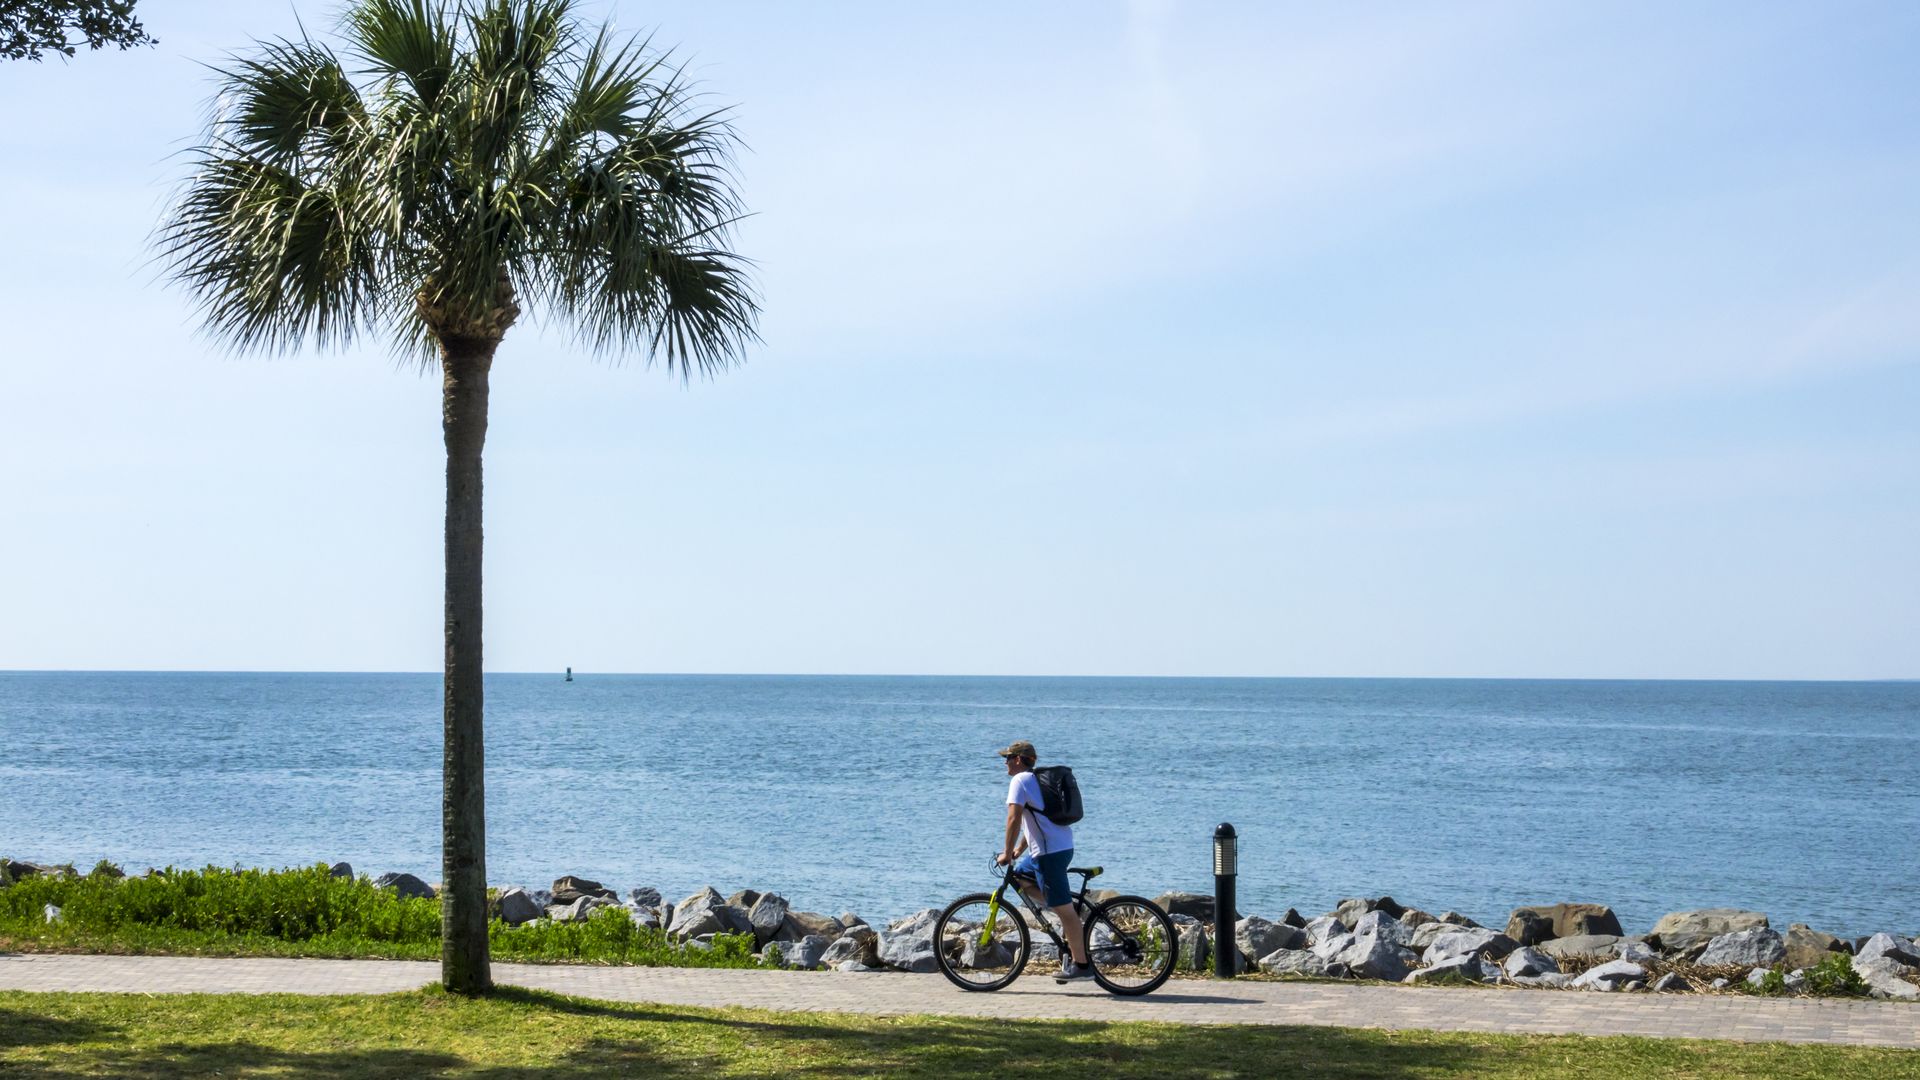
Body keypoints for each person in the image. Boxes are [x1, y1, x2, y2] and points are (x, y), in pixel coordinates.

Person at [994, 740, 1092, 981]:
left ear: (1018, 759)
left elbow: (1014, 819)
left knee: (1064, 910)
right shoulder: (1036, 781)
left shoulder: (1019, 781)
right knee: (1019, 877)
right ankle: (1066, 916)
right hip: (1058, 847)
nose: (1004, 763)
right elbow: (1037, 821)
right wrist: (1018, 850)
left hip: (1049, 855)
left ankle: (1082, 966)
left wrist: (1006, 853)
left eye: (1007, 758)